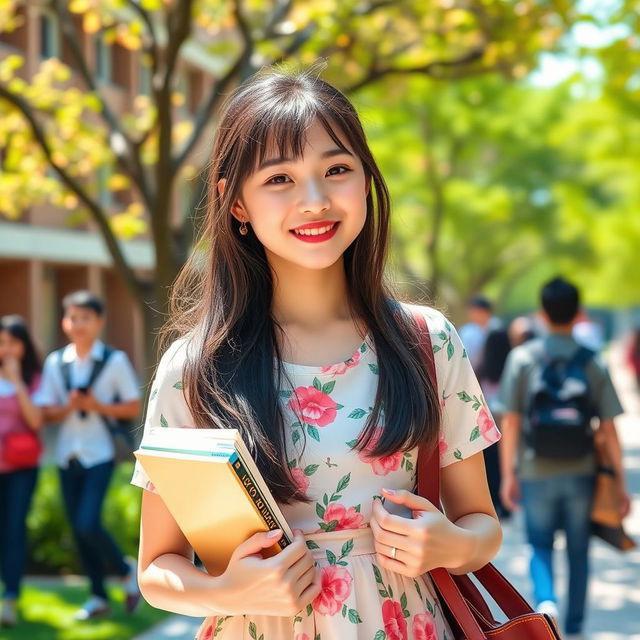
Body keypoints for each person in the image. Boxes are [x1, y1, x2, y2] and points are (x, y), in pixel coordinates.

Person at [132, 67, 503, 640]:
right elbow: (156, 569)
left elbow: (482, 525)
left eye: (336, 170)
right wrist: (226, 590)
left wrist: (450, 544)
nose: (314, 200)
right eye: (279, 178)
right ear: (237, 205)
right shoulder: (195, 369)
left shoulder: (426, 342)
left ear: (364, 181)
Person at [499, 277, 631, 640]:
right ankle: (574, 627)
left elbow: (509, 421)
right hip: (582, 471)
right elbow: (607, 428)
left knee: (538, 543)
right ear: (579, 314)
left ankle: (546, 604)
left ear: (542, 314)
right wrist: (619, 482)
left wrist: (508, 474)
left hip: (534, 468)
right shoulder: (592, 362)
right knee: (578, 549)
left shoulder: (523, 358)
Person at [36, 291, 142, 620]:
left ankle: (126, 567)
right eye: (72, 318)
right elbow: (46, 412)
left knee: (87, 521)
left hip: (100, 453)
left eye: (85, 318)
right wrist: (70, 406)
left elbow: (132, 406)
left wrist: (96, 406)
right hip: (68, 454)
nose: (78, 324)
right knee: (78, 529)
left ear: (99, 322)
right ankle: (97, 596)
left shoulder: (114, 361)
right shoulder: (56, 362)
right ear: (65, 322)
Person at [0, 316, 43, 628]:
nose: (6, 349)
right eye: (1, 342)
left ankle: (10, 599)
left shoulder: (32, 378)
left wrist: (16, 382)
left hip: (22, 468)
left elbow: (36, 421)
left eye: (13, 342)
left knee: (14, 531)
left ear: (24, 346)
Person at [476, 328, 512, 519]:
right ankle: (507, 505)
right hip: (508, 426)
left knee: (489, 468)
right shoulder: (511, 369)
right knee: (504, 465)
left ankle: (493, 504)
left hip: (487, 427)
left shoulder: (481, 371)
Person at [459, 295, 498, 369]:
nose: (471, 314)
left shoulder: (497, 329)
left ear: (485, 312)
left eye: (474, 311)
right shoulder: (466, 331)